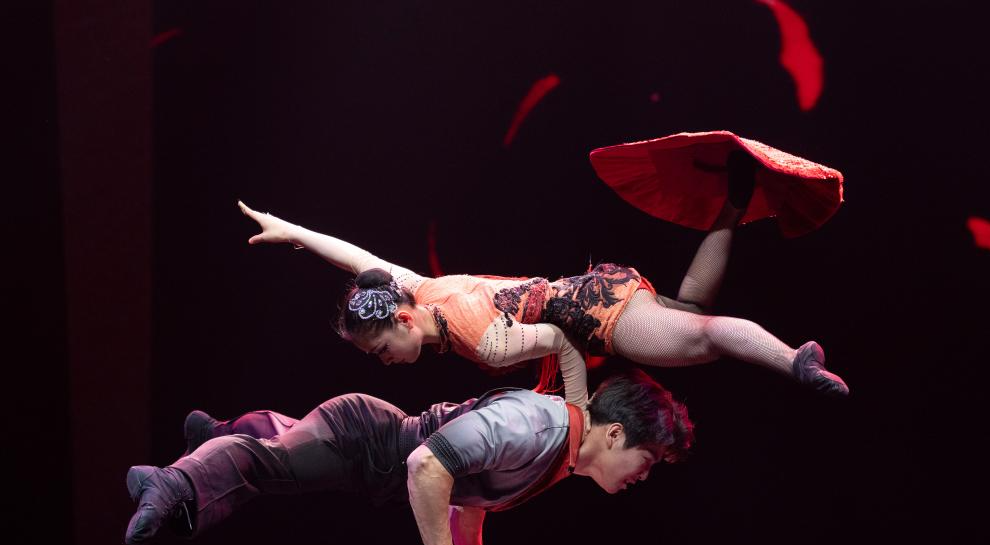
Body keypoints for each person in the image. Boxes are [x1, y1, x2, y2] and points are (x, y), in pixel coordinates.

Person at [237, 151, 848, 409]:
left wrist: (576, 417)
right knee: (690, 308)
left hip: (597, 315)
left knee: (706, 336)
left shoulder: (477, 337)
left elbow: (557, 341)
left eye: (380, 351)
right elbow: (357, 257)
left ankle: (795, 359)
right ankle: (737, 196)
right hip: (596, 290)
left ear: (400, 321)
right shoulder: (418, 290)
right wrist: (291, 231)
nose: (385, 362)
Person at [124, 370, 692, 545]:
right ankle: (167, 483)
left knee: (281, 448)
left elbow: (470, 497)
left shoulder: (562, 451)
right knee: (267, 465)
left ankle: (215, 432)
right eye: (647, 459)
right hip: (366, 441)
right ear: (615, 434)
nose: (644, 475)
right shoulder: (536, 425)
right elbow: (428, 465)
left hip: (374, 450)